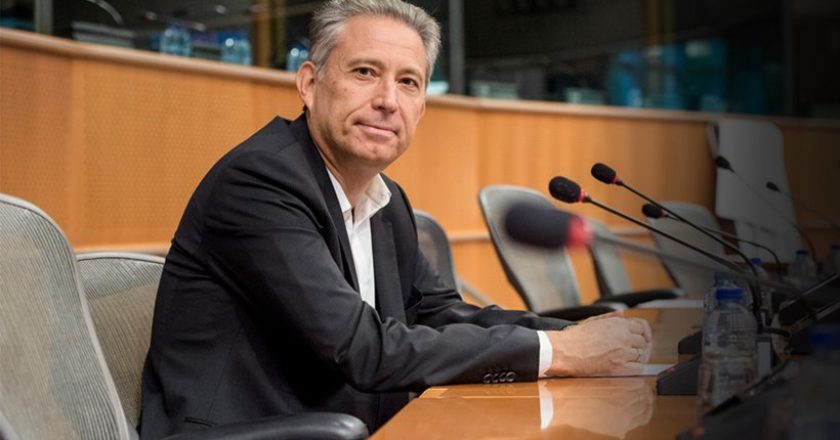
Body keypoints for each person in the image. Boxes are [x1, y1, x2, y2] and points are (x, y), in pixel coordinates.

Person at [139, 0, 652, 437]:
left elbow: (439, 313)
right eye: (365, 72)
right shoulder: (260, 183)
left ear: (421, 109)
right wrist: (556, 351)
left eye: (408, 82)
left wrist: (575, 335)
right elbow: (360, 348)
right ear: (310, 84)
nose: (387, 101)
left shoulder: (386, 200)